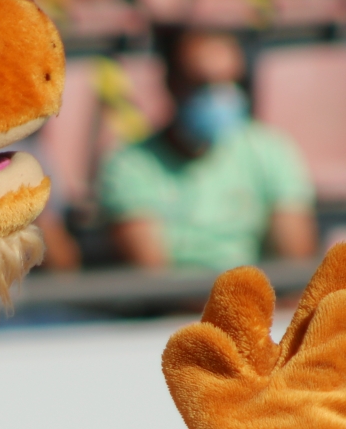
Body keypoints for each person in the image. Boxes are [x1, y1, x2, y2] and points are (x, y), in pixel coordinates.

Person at [100, 29, 318, 271]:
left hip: (258, 293)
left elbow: (294, 262)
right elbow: (154, 277)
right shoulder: (130, 165)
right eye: (202, 84)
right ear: (172, 85)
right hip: (180, 297)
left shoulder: (271, 150)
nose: (218, 96)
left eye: (229, 82)